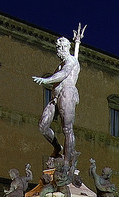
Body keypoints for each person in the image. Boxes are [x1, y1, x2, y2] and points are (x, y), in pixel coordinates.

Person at [33, 35, 80, 167]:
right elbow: (72, 59)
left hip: (67, 94)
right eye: (57, 47)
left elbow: (64, 74)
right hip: (55, 98)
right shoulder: (65, 62)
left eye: (61, 47)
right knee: (43, 126)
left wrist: (46, 80)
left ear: (66, 48)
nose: (59, 50)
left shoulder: (70, 61)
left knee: (67, 129)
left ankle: (67, 162)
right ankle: (58, 147)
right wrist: (77, 42)